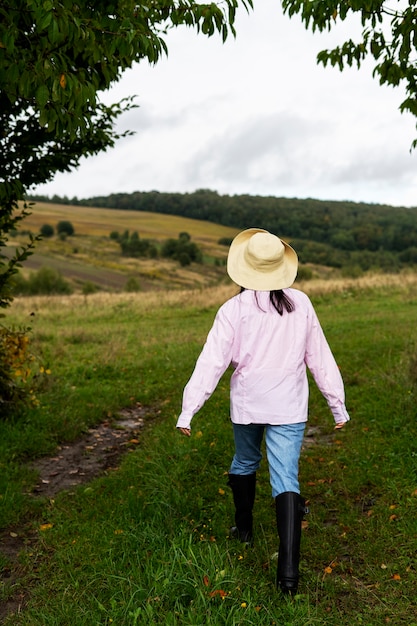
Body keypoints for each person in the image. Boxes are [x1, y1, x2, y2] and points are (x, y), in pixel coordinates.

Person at [176, 228, 350, 595]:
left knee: (244, 460)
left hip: (249, 405)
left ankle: (244, 530)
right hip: (288, 405)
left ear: (243, 267)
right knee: (286, 478)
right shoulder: (300, 303)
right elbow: (319, 357)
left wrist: (188, 411)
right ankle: (288, 580)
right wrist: (337, 405)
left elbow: (211, 362)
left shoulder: (232, 310)